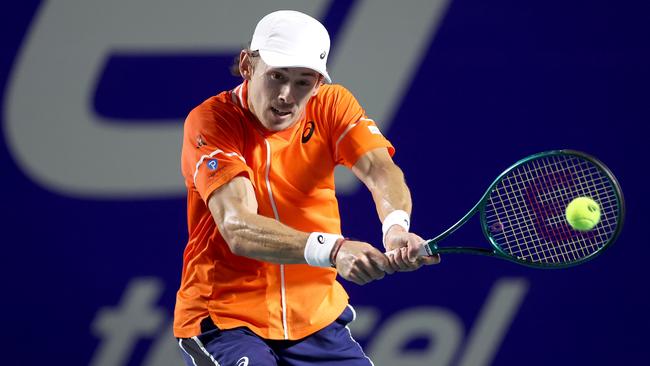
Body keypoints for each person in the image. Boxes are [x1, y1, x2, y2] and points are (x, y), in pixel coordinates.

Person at [174, 9, 440, 366]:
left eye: (303, 81)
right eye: (277, 76)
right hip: (227, 317)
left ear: (318, 83)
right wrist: (334, 250)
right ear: (248, 65)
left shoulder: (333, 105)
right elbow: (238, 226)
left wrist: (395, 228)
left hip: (315, 316)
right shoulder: (212, 121)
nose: (287, 95)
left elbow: (379, 169)